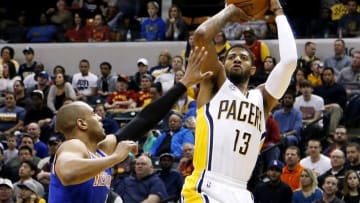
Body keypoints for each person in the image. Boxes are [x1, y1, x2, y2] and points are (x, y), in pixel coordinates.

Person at [48, 46, 212, 203]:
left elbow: (145, 119)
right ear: (82, 124)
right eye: (93, 114)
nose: (99, 118)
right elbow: (69, 173)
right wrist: (115, 158)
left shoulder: (102, 149)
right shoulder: (73, 146)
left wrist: (183, 84)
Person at [181, 0, 298, 202]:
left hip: (241, 193)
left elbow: (289, 62)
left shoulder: (262, 98)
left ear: (253, 70)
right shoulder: (215, 84)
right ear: (223, 65)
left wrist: (278, 11)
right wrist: (229, 12)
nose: (236, 59)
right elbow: (200, 37)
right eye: (231, 57)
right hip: (205, 186)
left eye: (243, 57)